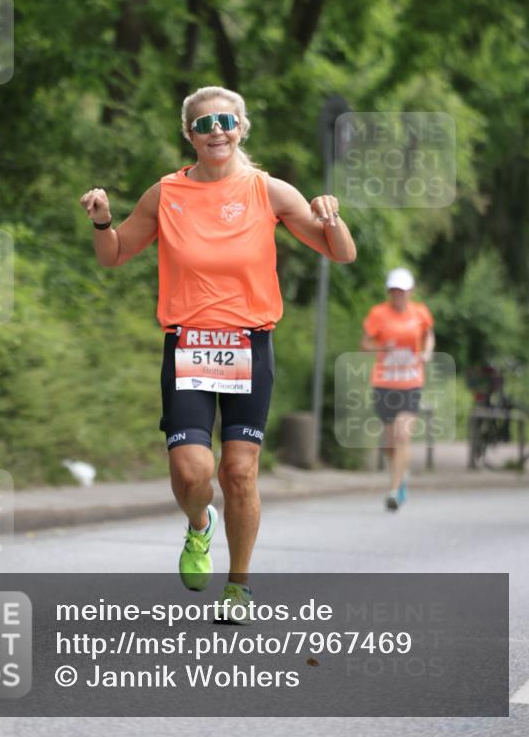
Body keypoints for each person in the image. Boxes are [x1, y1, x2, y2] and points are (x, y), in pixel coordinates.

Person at [81, 86, 356, 620]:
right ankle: (199, 523)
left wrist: (330, 217)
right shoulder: (165, 193)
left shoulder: (268, 191)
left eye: (225, 122)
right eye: (204, 125)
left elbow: (341, 253)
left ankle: (239, 586)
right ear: (189, 134)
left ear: (241, 128)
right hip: (189, 342)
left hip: (249, 343)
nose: (216, 132)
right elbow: (114, 255)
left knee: (240, 471)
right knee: (192, 472)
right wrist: (101, 221)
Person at [360, 268, 435, 511]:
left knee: (403, 435)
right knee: (389, 445)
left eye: (402, 290)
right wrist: (382, 348)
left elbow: (429, 335)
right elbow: (364, 344)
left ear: (410, 291)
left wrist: (427, 352)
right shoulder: (378, 314)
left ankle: (393, 491)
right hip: (385, 382)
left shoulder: (420, 312)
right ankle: (401, 475)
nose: (398, 295)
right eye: (394, 290)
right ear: (389, 292)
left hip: (411, 382)